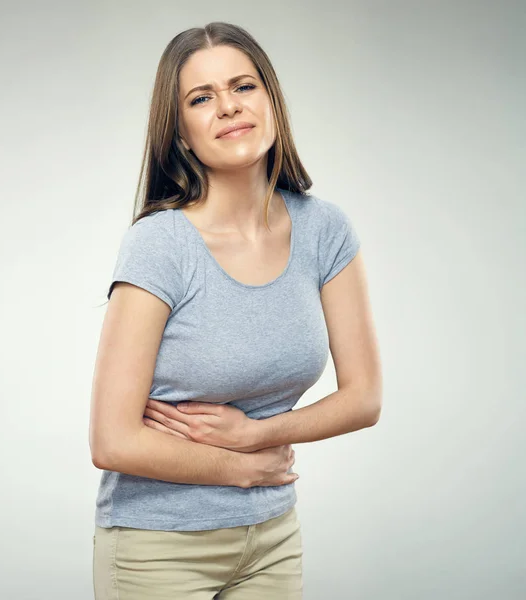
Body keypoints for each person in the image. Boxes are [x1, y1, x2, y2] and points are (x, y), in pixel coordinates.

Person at [89, 20, 382, 600]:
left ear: (270, 100)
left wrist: (256, 436)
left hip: (272, 540)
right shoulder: (161, 244)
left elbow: (364, 397)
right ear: (181, 134)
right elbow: (111, 440)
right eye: (201, 98)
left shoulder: (325, 230)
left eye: (242, 87)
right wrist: (240, 468)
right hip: (158, 547)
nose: (227, 107)